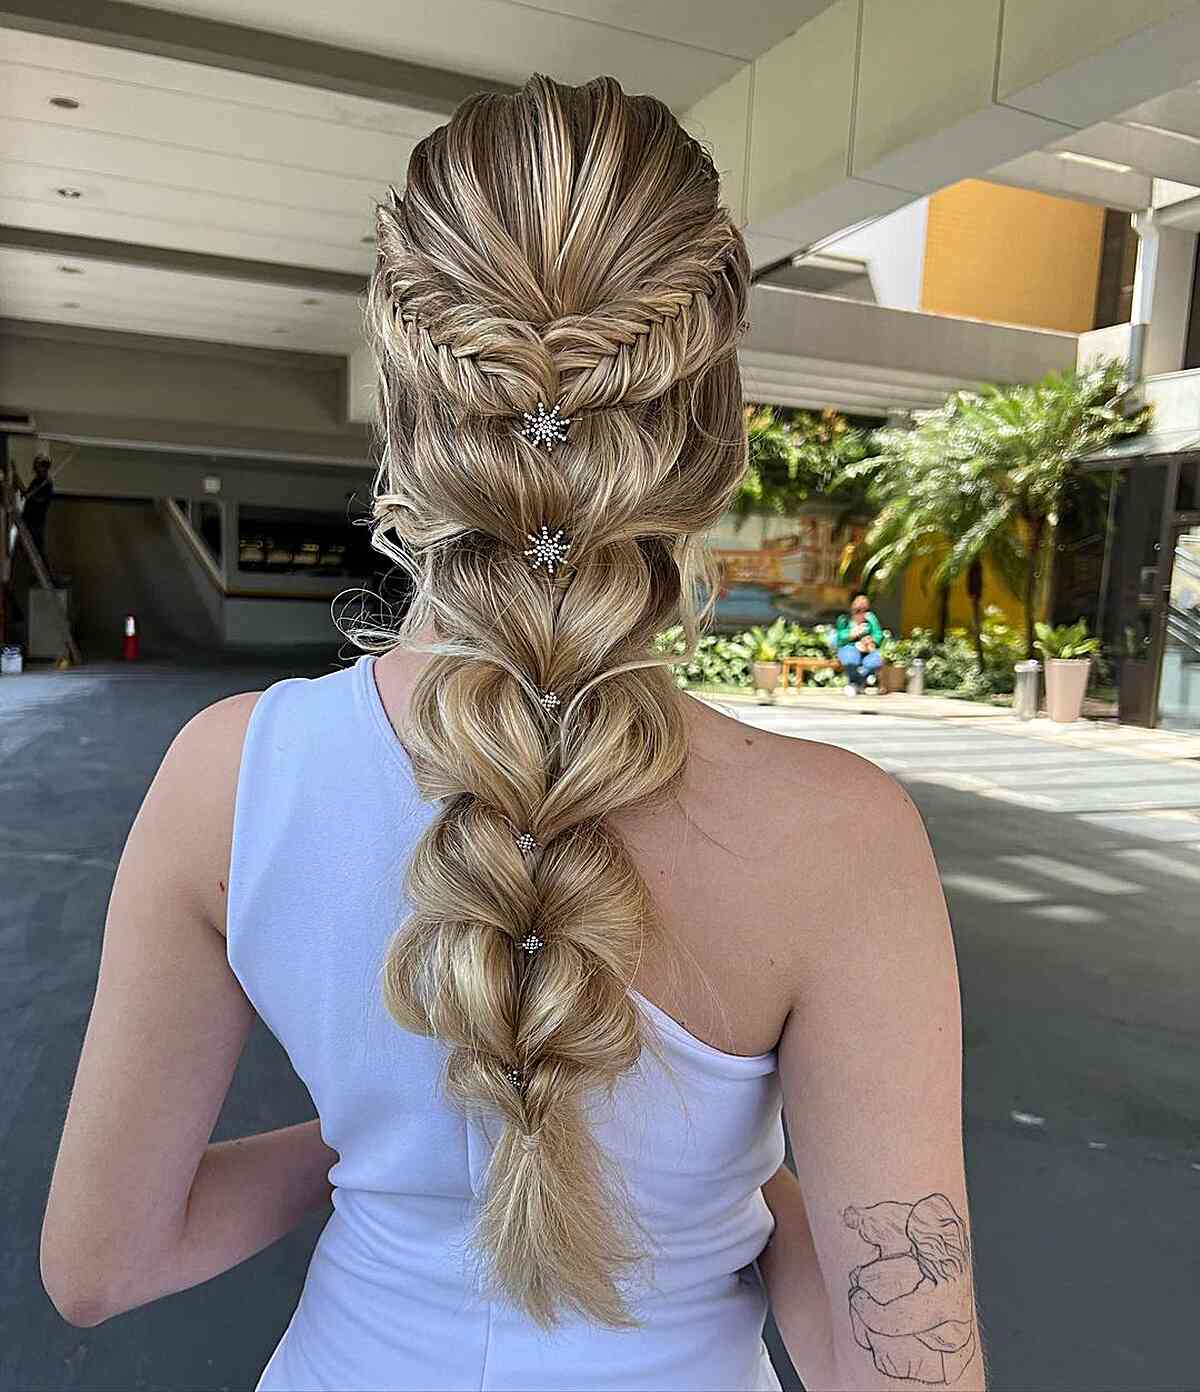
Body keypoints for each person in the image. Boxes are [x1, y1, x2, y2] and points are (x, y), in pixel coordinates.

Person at [40, 77, 982, 1392]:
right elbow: (906, 1371)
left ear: (407, 407)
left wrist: (369, 1145)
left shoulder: (230, 776)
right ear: (714, 426)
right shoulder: (841, 836)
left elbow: (102, 1266)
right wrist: (749, 1201)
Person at [836, 592, 885, 696]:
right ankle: (859, 683)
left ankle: (855, 684)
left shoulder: (870, 618)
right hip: (849, 647)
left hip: (867, 650)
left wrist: (871, 641)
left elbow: (878, 634)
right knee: (851, 659)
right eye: (858, 608)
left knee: (875, 660)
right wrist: (851, 635)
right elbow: (840, 637)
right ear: (852, 605)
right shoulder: (844, 619)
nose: (862, 609)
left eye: (865, 608)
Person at [19, 454, 54, 570]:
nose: (42, 468)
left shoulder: (46, 484)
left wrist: (27, 493)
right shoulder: (37, 481)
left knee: (37, 550)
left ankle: (47, 576)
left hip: (36, 522)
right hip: (29, 521)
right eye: (40, 466)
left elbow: (38, 499)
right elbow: (27, 495)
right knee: (33, 550)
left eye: (45, 466)